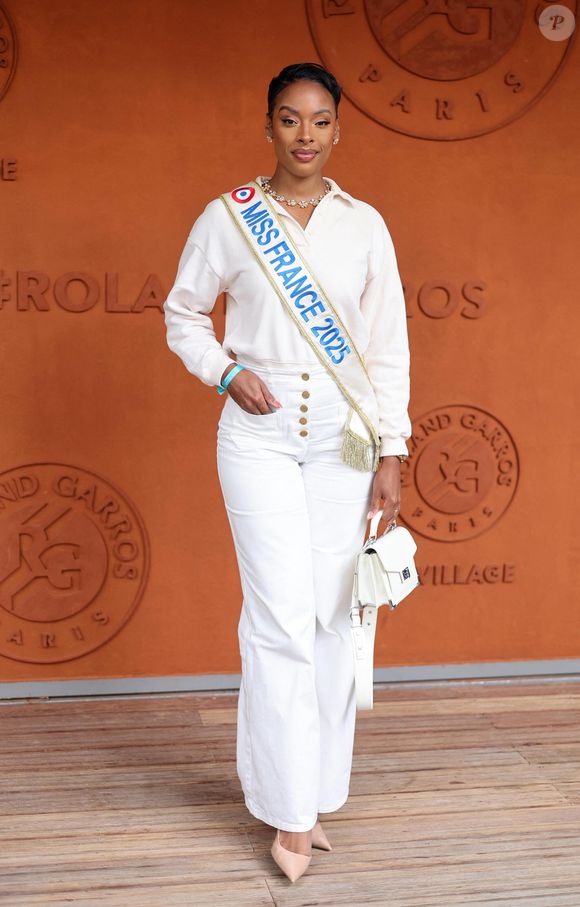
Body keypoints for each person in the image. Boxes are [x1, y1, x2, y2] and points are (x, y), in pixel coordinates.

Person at [163, 62, 411, 883]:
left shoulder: (365, 225)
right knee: (276, 620)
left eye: (319, 120)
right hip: (258, 439)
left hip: (343, 443)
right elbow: (183, 313)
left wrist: (392, 450)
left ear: (340, 129)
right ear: (267, 126)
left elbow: (384, 349)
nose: (304, 134)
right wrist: (226, 372)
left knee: (333, 621)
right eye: (288, 118)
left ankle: (313, 792)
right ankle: (287, 814)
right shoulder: (229, 218)